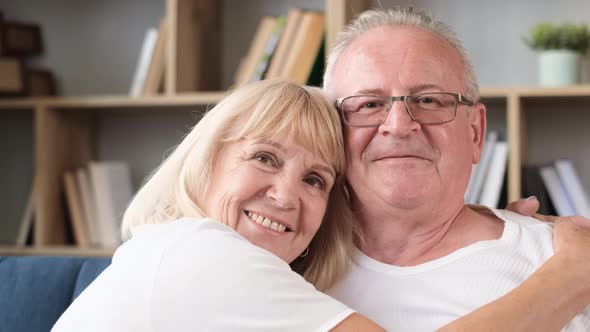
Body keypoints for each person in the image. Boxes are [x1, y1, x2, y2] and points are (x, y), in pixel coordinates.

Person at [52, 79, 588, 332]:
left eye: (315, 179)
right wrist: (570, 269)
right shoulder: (204, 253)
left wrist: (489, 232)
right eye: (263, 157)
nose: (286, 195)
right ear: (206, 160)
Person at [322, 7, 590, 331]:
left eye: (429, 101)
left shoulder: (556, 257)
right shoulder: (286, 262)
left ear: (475, 132)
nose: (399, 125)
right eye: (368, 104)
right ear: (329, 131)